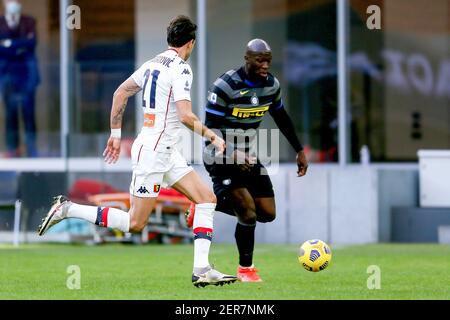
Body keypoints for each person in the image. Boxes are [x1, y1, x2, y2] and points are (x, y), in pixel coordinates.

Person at [37, 15, 237, 288]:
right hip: (154, 153)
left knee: (206, 198)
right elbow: (186, 116)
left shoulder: (152, 63)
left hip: (164, 151)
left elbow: (120, 93)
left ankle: (201, 268)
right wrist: (212, 135)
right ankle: (67, 209)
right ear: (190, 44)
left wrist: (116, 135)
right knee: (135, 223)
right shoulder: (181, 68)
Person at [187, 39, 308, 282]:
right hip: (219, 157)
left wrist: (299, 150)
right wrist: (232, 153)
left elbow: (281, 118)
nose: (265, 65)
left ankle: (203, 204)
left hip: (248, 156)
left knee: (267, 213)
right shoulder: (225, 86)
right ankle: (246, 270)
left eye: (268, 60)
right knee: (248, 214)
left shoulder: (272, 85)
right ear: (247, 58)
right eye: (260, 60)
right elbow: (211, 129)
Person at [0, 0, 40, 157]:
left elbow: (31, 43)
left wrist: (8, 44)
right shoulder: (1, 22)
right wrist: (19, 46)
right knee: (10, 115)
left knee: (28, 113)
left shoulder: (29, 21)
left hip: (26, 76)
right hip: (7, 75)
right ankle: (12, 149)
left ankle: (31, 150)